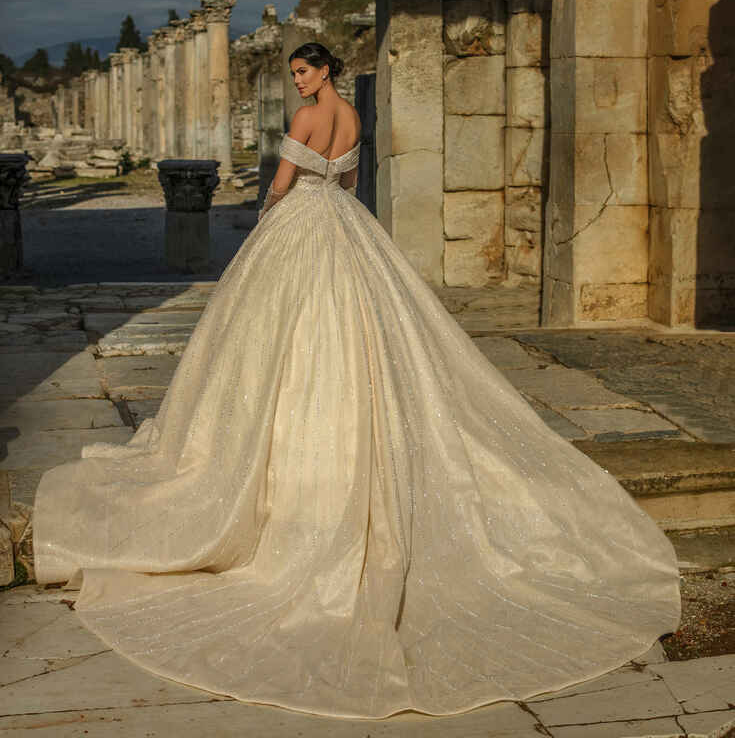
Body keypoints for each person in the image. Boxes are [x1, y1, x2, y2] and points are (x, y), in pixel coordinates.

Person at [32, 42, 681, 720]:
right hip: (345, 225)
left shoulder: (312, 118)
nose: (299, 81)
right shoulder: (354, 121)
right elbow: (345, 184)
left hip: (301, 227)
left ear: (325, 72)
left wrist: (267, 214)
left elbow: (282, 183)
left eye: (305, 72)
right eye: (295, 75)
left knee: (277, 342)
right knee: (363, 332)